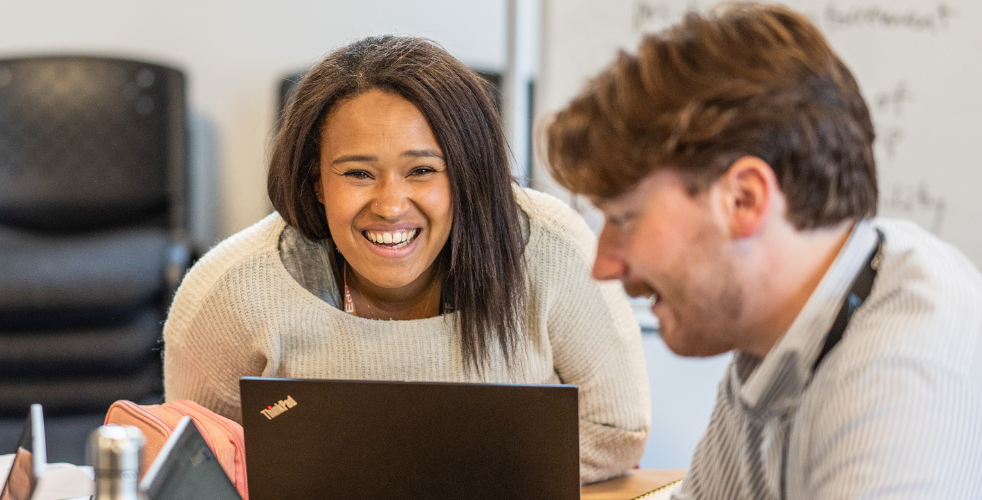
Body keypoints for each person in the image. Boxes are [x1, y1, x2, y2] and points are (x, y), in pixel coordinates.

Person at [163, 35, 650, 483]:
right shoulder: (230, 288)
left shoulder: (552, 251)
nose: (391, 205)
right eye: (357, 173)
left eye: (422, 170)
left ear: (467, 175)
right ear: (316, 183)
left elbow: (616, 430)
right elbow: (194, 469)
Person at [546, 3, 982, 499]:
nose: (603, 266)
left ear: (744, 199)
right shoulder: (782, 335)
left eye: (623, 218)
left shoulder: (901, 382)